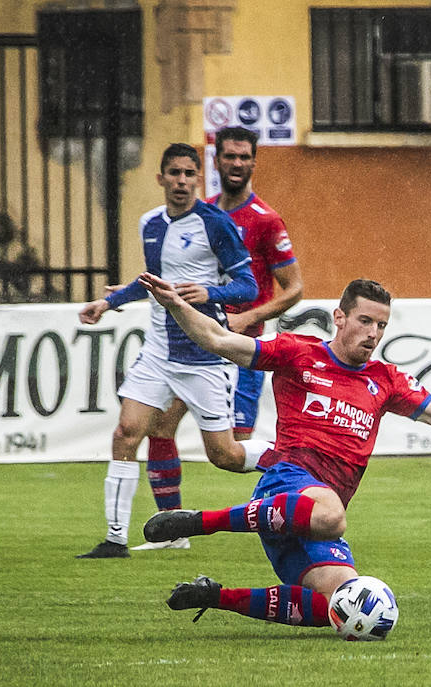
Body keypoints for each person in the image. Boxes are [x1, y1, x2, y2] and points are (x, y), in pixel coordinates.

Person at [135, 274, 431, 631]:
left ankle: (215, 596)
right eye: (365, 321)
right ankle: (198, 522)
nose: (374, 333)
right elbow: (219, 341)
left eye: (382, 326)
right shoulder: (298, 353)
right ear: (340, 317)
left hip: (310, 510)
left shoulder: (387, 380)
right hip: (287, 485)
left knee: (343, 608)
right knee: (332, 514)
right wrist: (176, 304)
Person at [75, 143, 259, 559]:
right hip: (158, 350)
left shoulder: (216, 224)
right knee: (126, 433)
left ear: (198, 178)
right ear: (160, 178)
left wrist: (210, 291)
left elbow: (249, 287)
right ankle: (115, 539)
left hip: (204, 355)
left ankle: (293, 461)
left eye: (188, 174)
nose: (181, 181)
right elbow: (151, 281)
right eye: (173, 173)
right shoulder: (150, 224)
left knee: (225, 455)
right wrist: (109, 302)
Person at [133, 126, 305, 552]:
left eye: (244, 157)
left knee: (232, 451)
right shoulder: (200, 212)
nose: (236, 164)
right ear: (216, 161)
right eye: (228, 157)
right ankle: (170, 534)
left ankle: (289, 491)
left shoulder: (265, 220)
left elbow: (295, 288)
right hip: (197, 344)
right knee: (159, 426)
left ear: (253, 162)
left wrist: (249, 317)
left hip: (242, 351)